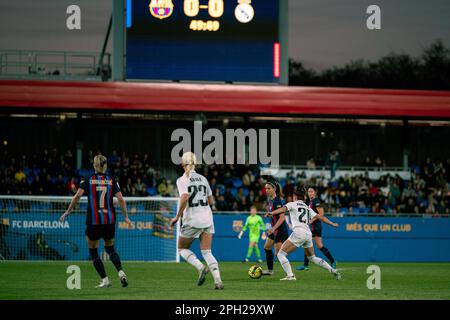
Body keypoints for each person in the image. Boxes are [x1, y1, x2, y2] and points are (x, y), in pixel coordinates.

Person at [60, 154, 132, 288]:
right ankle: (121, 272)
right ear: (105, 166)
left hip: (93, 222)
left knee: (93, 250)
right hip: (109, 220)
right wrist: (126, 217)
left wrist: (68, 211)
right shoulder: (111, 180)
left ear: (94, 165)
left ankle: (105, 280)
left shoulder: (87, 179)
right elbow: (121, 199)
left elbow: (78, 196)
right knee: (110, 248)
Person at [170, 152, 224, 290]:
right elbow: (211, 200)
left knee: (182, 249)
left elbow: (184, 197)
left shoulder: (181, 180)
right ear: (195, 164)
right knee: (207, 252)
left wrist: (177, 217)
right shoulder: (203, 179)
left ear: (182, 164)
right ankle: (218, 281)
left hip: (192, 220)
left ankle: (201, 267)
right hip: (207, 218)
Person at [267, 185, 341, 281]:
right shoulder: (307, 207)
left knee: (280, 254)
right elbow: (321, 217)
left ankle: (290, 275)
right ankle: (332, 270)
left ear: (295, 197)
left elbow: (282, 209)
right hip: (308, 234)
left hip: (298, 233)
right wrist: (332, 224)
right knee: (312, 257)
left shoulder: (292, 204)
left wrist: (272, 213)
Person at [297, 186, 337, 271]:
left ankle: (333, 261)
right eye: (309, 191)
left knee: (318, 245)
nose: (310, 193)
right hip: (311, 226)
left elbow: (321, 214)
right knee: (306, 243)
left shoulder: (316, 201)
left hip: (316, 226)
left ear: (315, 193)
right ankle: (305, 265)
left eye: (312, 191)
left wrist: (311, 220)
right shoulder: (309, 202)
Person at [261, 179, 289, 276]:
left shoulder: (277, 201)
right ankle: (270, 270)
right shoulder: (271, 201)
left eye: (269, 188)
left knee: (279, 254)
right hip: (275, 230)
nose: (267, 190)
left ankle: (289, 274)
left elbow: (282, 218)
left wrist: (273, 229)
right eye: (265, 189)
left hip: (280, 230)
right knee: (267, 247)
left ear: (274, 189)